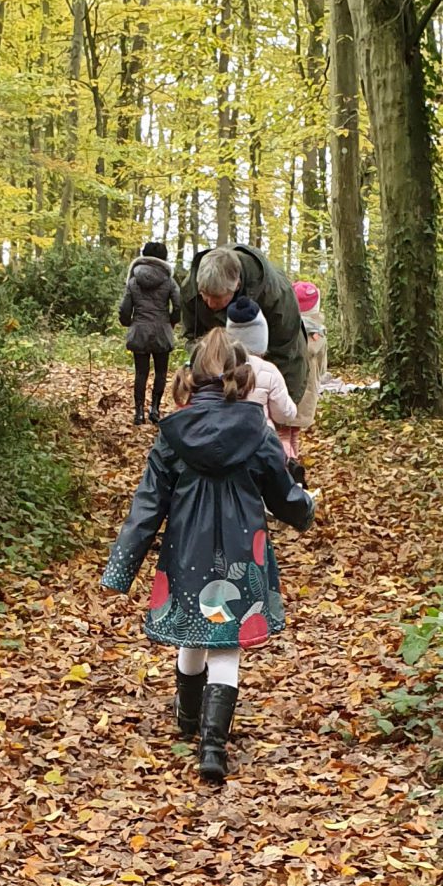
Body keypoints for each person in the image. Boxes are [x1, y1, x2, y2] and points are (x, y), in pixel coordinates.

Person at [101, 329, 316, 785]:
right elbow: (281, 491)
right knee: (228, 641)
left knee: (193, 632)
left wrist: (121, 567)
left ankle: (187, 717)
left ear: (192, 379)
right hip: (243, 550)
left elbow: (148, 504)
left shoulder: (172, 434)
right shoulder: (256, 429)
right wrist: (305, 509)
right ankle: (213, 748)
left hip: (187, 547)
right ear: (241, 378)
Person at [180, 245, 308, 401]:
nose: (210, 303)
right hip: (221, 375)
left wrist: (274, 397)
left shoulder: (276, 295)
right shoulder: (190, 289)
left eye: (217, 297)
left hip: (274, 363)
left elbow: (285, 352)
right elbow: (193, 338)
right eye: (204, 295)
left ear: (237, 285)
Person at [224, 296, 299, 459]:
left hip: (224, 443)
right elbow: (284, 414)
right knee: (286, 453)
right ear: (262, 336)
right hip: (262, 446)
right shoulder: (269, 371)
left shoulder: (217, 367)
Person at [118, 239, 179, 425]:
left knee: (141, 373)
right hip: (162, 330)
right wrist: (171, 323)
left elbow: (124, 308)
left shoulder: (134, 280)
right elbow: (177, 306)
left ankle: (138, 413)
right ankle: (155, 409)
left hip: (140, 330)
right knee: (161, 372)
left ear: (144, 255)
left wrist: (128, 323)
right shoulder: (169, 281)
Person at [292, 280, 328, 433]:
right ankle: (293, 456)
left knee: (282, 434)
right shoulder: (319, 335)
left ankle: (284, 457)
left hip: (286, 388)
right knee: (295, 434)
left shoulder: (286, 331)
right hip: (308, 388)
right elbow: (322, 368)